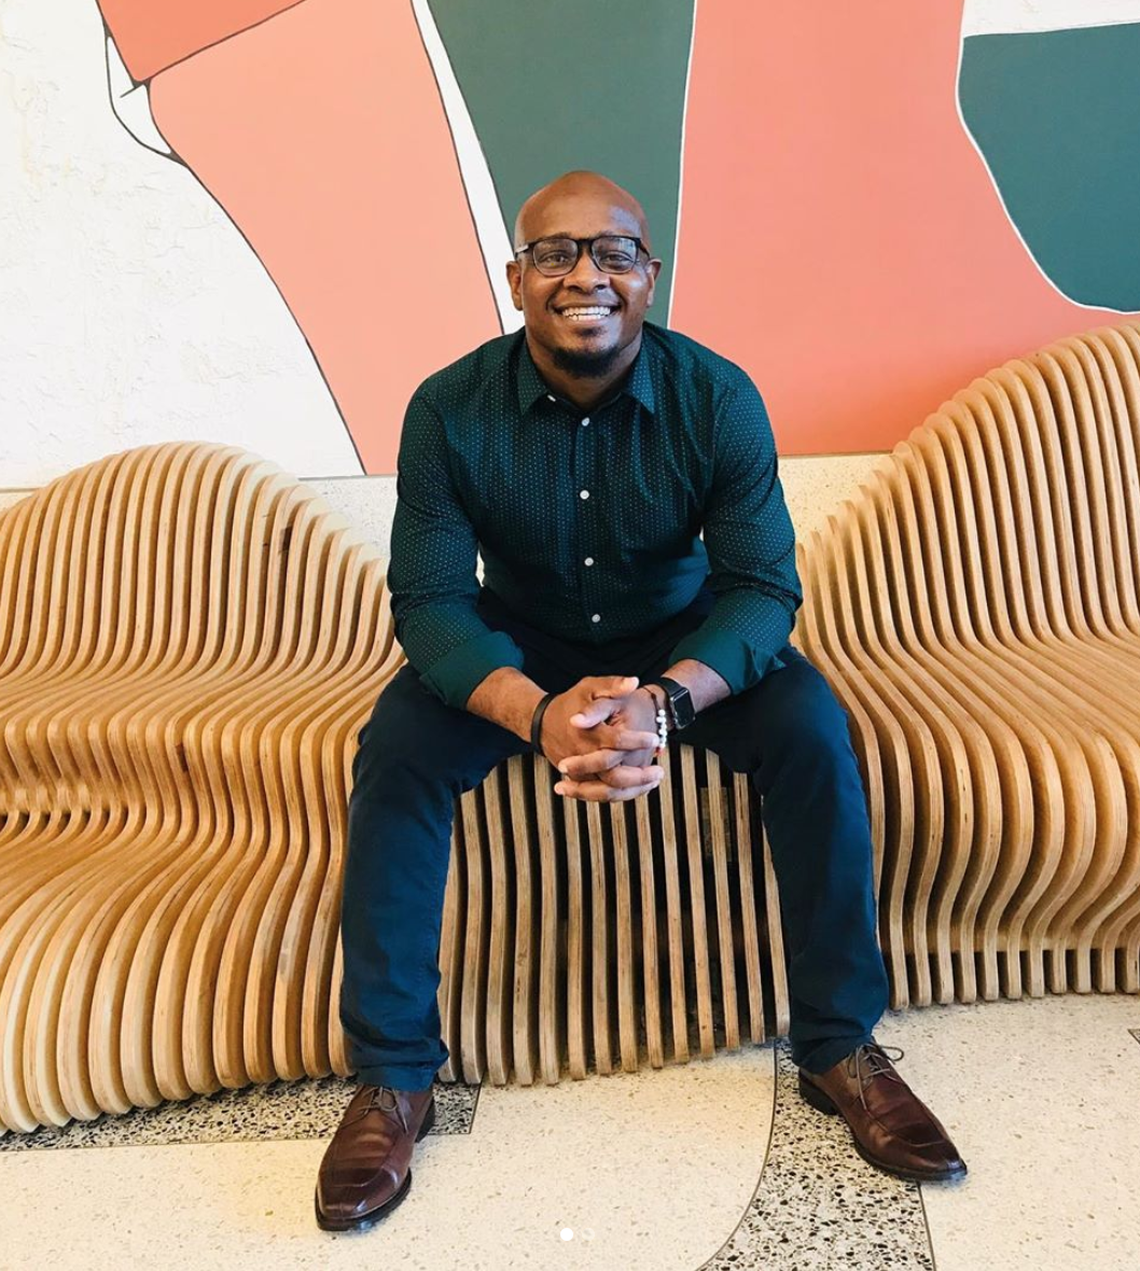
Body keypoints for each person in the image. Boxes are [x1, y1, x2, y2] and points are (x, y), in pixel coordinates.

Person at [314, 170, 967, 1233]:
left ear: (648, 276)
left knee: (813, 727)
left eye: (613, 252)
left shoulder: (718, 396)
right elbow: (430, 601)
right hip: (521, 639)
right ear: (516, 278)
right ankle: (392, 1077)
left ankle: (841, 1045)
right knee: (395, 748)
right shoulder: (446, 408)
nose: (587, 274)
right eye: (556, 253)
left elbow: (761, 590)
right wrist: (537, 712)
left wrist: (663, 701)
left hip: (679, 637)